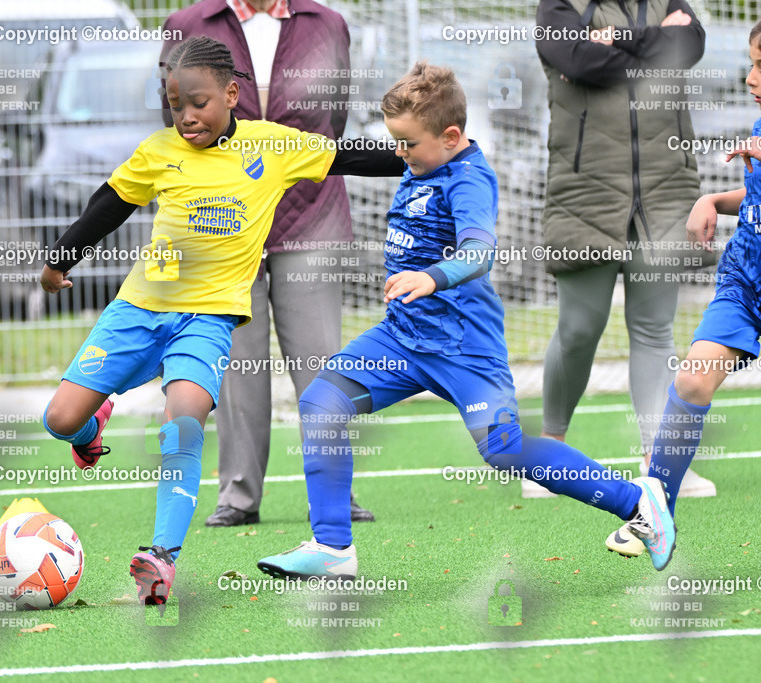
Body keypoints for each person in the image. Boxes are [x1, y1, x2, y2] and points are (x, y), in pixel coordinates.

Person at [257, 62, 677, 580]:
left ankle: (637, 503)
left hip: (462, 346)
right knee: (322, 403)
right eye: (396, 142)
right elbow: (345, 158)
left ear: (450, 136)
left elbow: (480, 250)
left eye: (407, 143)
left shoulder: (469, 178)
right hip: (402, 337)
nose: (399, 153)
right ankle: (333, 548)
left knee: (503, 451)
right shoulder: (419, 161)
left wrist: (431, 277)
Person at [39, 36, 401, 605]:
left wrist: (424, 153)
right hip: (139, 310)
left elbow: (347, 155)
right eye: (175, 103)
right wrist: (61, 257)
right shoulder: (158, 150)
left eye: (199, 102)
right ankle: (92, 422)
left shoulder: (272, 146)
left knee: (182, 424)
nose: (186, 116)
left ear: (232, 94)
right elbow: (109, 203)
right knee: (58, 419)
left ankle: (161, 558)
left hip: (208, 320)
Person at [160, 0, 374, 527]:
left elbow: (335, 117)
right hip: (223, 223)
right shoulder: (188, 25)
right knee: (235, 368)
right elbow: (176, 122)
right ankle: (237, 495)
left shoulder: (328, 24)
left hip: (313, 218)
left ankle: (334, 494)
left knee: (322, 365)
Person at [533, 0, 715, 505]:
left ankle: (658, 464)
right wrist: (653, 44)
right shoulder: (558, 6)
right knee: (578, 330)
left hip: (666, 190)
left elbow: (689, 47)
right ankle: (549, 453)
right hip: (585, 193)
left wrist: (613, 40)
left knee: (655, 328)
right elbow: (577, 61)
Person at [606, 18, 761, 554]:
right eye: (751, 62)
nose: (750, 76)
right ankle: (656, 517)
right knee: (692, 381)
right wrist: (712, 201)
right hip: (744, 279)